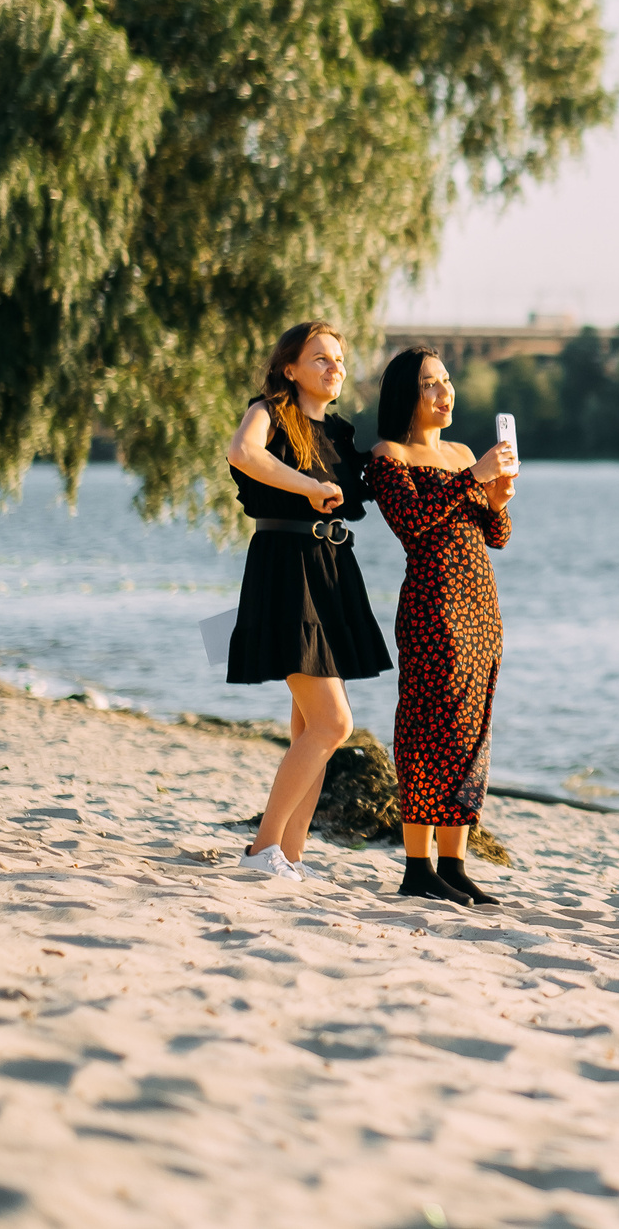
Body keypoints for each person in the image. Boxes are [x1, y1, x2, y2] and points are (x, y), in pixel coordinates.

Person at [225, 321, 394, 881]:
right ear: (289, 367)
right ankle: (262, 850)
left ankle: (290, 856)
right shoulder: (268, 412)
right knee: (333, 724)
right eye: (320, 357)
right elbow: (243, 453)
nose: (333, 367)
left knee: (310, 730)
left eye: (338, 359)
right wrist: (308, 486)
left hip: (331, 573)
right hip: (285, 570)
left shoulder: (340, 435)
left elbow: (384, 482)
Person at [365, 347, 515, 905]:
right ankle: (416, 865)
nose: (444, 392)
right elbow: (415, 524)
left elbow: (496, 536)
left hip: (481, 607)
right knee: (428, 727)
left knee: (472, 730)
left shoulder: (462, 453)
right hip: (434, 608)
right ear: (406, 393)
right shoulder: (388, 457)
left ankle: (453, 864)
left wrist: (496, 500)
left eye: (447, 380)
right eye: (430, 383)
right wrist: (473, 478)